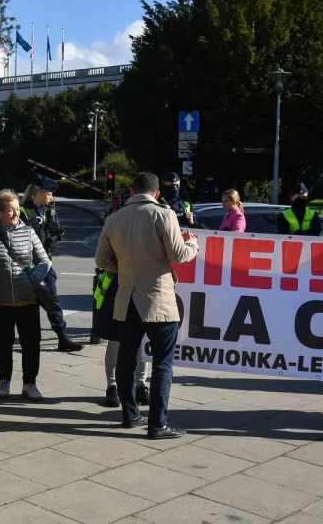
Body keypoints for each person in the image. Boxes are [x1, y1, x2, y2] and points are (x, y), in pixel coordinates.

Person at [96, 171, 199, 438]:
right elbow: (179, 254)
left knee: (126, 358)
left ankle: (130, 414)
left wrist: (127, 268)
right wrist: (193, 245)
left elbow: (102, 260)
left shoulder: (113, 219)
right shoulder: (164, 214)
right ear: (157, 193)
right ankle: (158, 424)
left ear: (132, 191)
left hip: (126, 298)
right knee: (163, 363)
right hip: (158, 299)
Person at [0, 189, 51, 402]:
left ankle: (30, 384)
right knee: (3, 345)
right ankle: (4, 381)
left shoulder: (28, 232)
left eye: (17, 209)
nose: (16, 213)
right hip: (0, 301)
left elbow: (45, 260)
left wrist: (34, 279)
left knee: (31, 345)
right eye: (10, 210)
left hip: (27, 300)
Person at [18, 175, 82, 352]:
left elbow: (55, 235)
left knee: (52, 301)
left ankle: (63, 338)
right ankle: (30, 342)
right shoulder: (23, 211)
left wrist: (57, 232)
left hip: (46, 264)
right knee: (29, 305)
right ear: (39, 193)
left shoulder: (48, 211)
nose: (52, 197)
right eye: (49, 193)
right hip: (28, 266)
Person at [92, 269, 150, 408]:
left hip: (142, 286)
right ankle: (112, 387)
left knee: (141, 341)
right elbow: (102, 260)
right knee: (115, 341)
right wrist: (125, 266)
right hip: (118, 288)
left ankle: (140, 385)